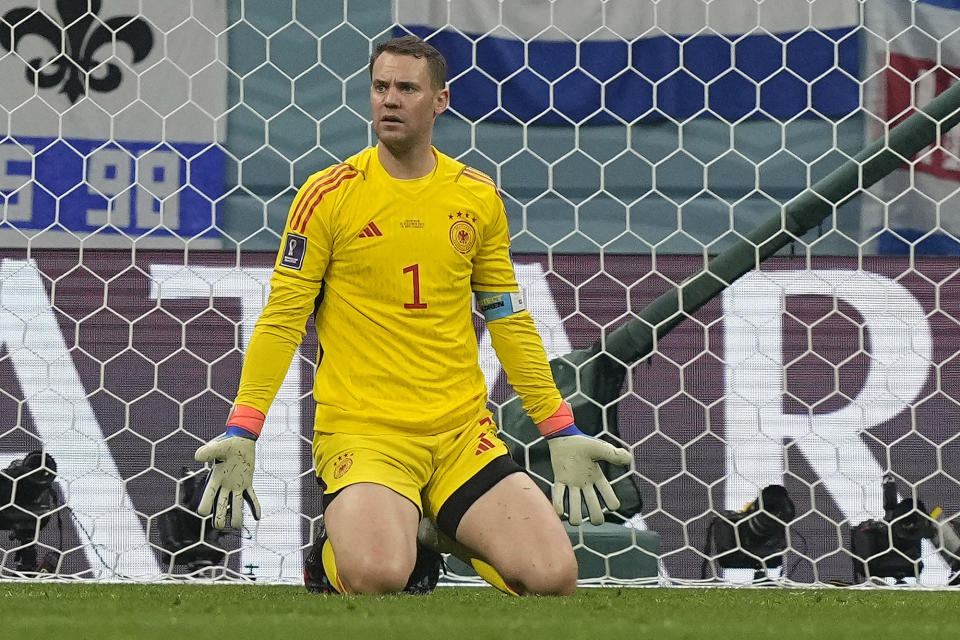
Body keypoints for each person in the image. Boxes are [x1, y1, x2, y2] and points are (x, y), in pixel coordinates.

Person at [193, 35, 633, 596]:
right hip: (365, 434)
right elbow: (282, 320)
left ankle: (439, 526)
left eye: (406, 88)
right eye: (380, 87)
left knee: (554, 579)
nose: (390, 100)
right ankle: (331, 558)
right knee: (379, 575)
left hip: (460, 436)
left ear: (440, 101)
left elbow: (508, 318)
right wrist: (243, 428)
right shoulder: (328, 195)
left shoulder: (475, 196)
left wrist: (560, 430)